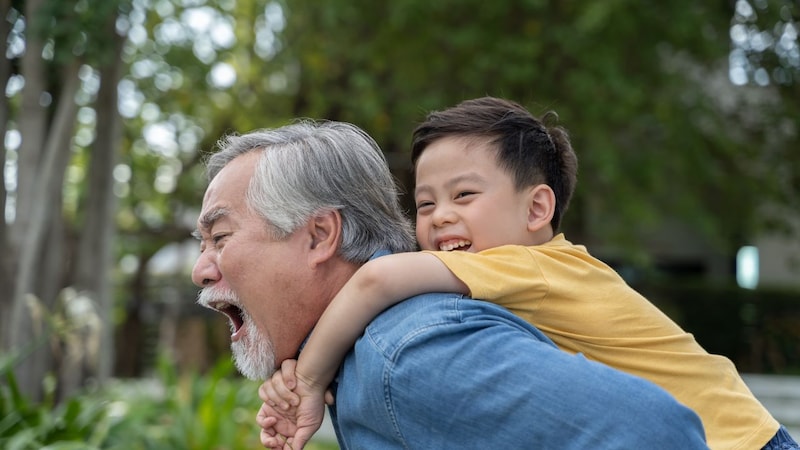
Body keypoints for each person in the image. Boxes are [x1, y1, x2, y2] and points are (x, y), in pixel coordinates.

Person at [257, 98, 799, 450]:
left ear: (537, 210)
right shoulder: (539, 270)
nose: (441, 215)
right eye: (424, 204)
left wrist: (306, 379)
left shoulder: (530, 267)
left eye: (464, 195)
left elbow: (375, 282)